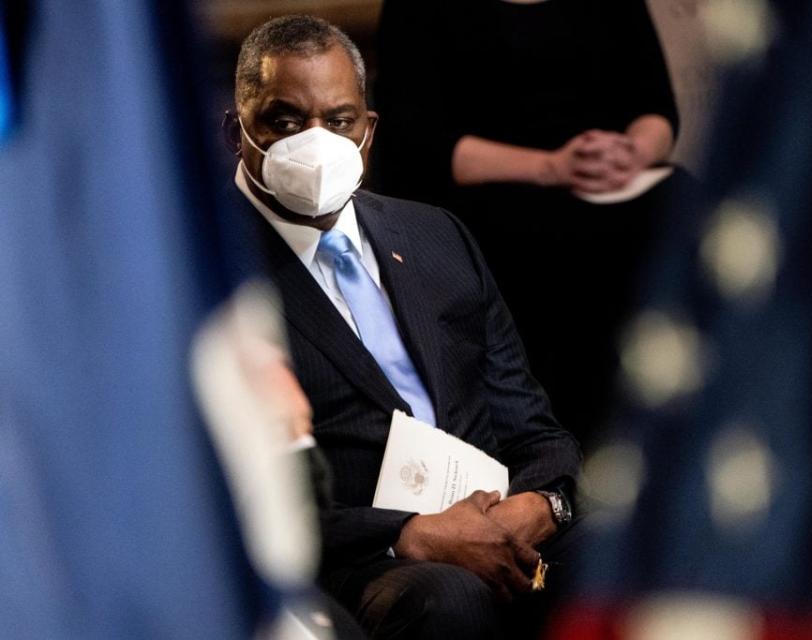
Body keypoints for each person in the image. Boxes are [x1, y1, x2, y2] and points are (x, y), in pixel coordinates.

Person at [223, 15, 583, 639]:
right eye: (285, 122)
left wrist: (540, 504)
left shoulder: (436, 237)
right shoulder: (213, 276)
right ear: (237, 131)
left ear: (368, 131)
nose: (315, 142)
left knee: (645, 565)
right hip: (355, 563)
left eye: (338, 121)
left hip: (495, 524)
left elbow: (536, 432)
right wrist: (406, 535)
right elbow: (224, 496)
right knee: (447, 600)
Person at [374, 0, 682, 444]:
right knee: (554, 244)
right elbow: (416, 143)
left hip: (610, 183)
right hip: (488, 190)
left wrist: (632, 152)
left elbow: (657, 108)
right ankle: (554, 448)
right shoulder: (420, 9)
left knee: (675, 212)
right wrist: (552, 167)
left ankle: (658, 438)